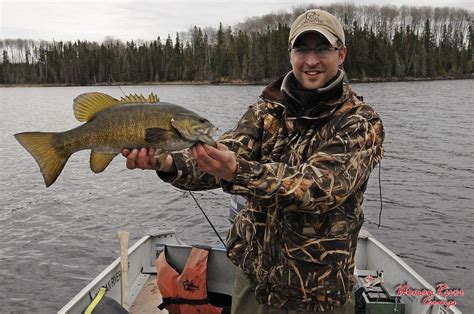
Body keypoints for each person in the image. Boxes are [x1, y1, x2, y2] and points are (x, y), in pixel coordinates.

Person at [123, 8, 384, 313]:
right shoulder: (265, 112)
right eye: (302, 49)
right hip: (253, 281)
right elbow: (221, 156)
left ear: (341, 55)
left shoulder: (360, 122)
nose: (311, 60)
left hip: (317, 293)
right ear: (291, 55)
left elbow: (319, 188)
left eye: (322, 49)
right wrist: (168, 163)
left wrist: (238, 171)